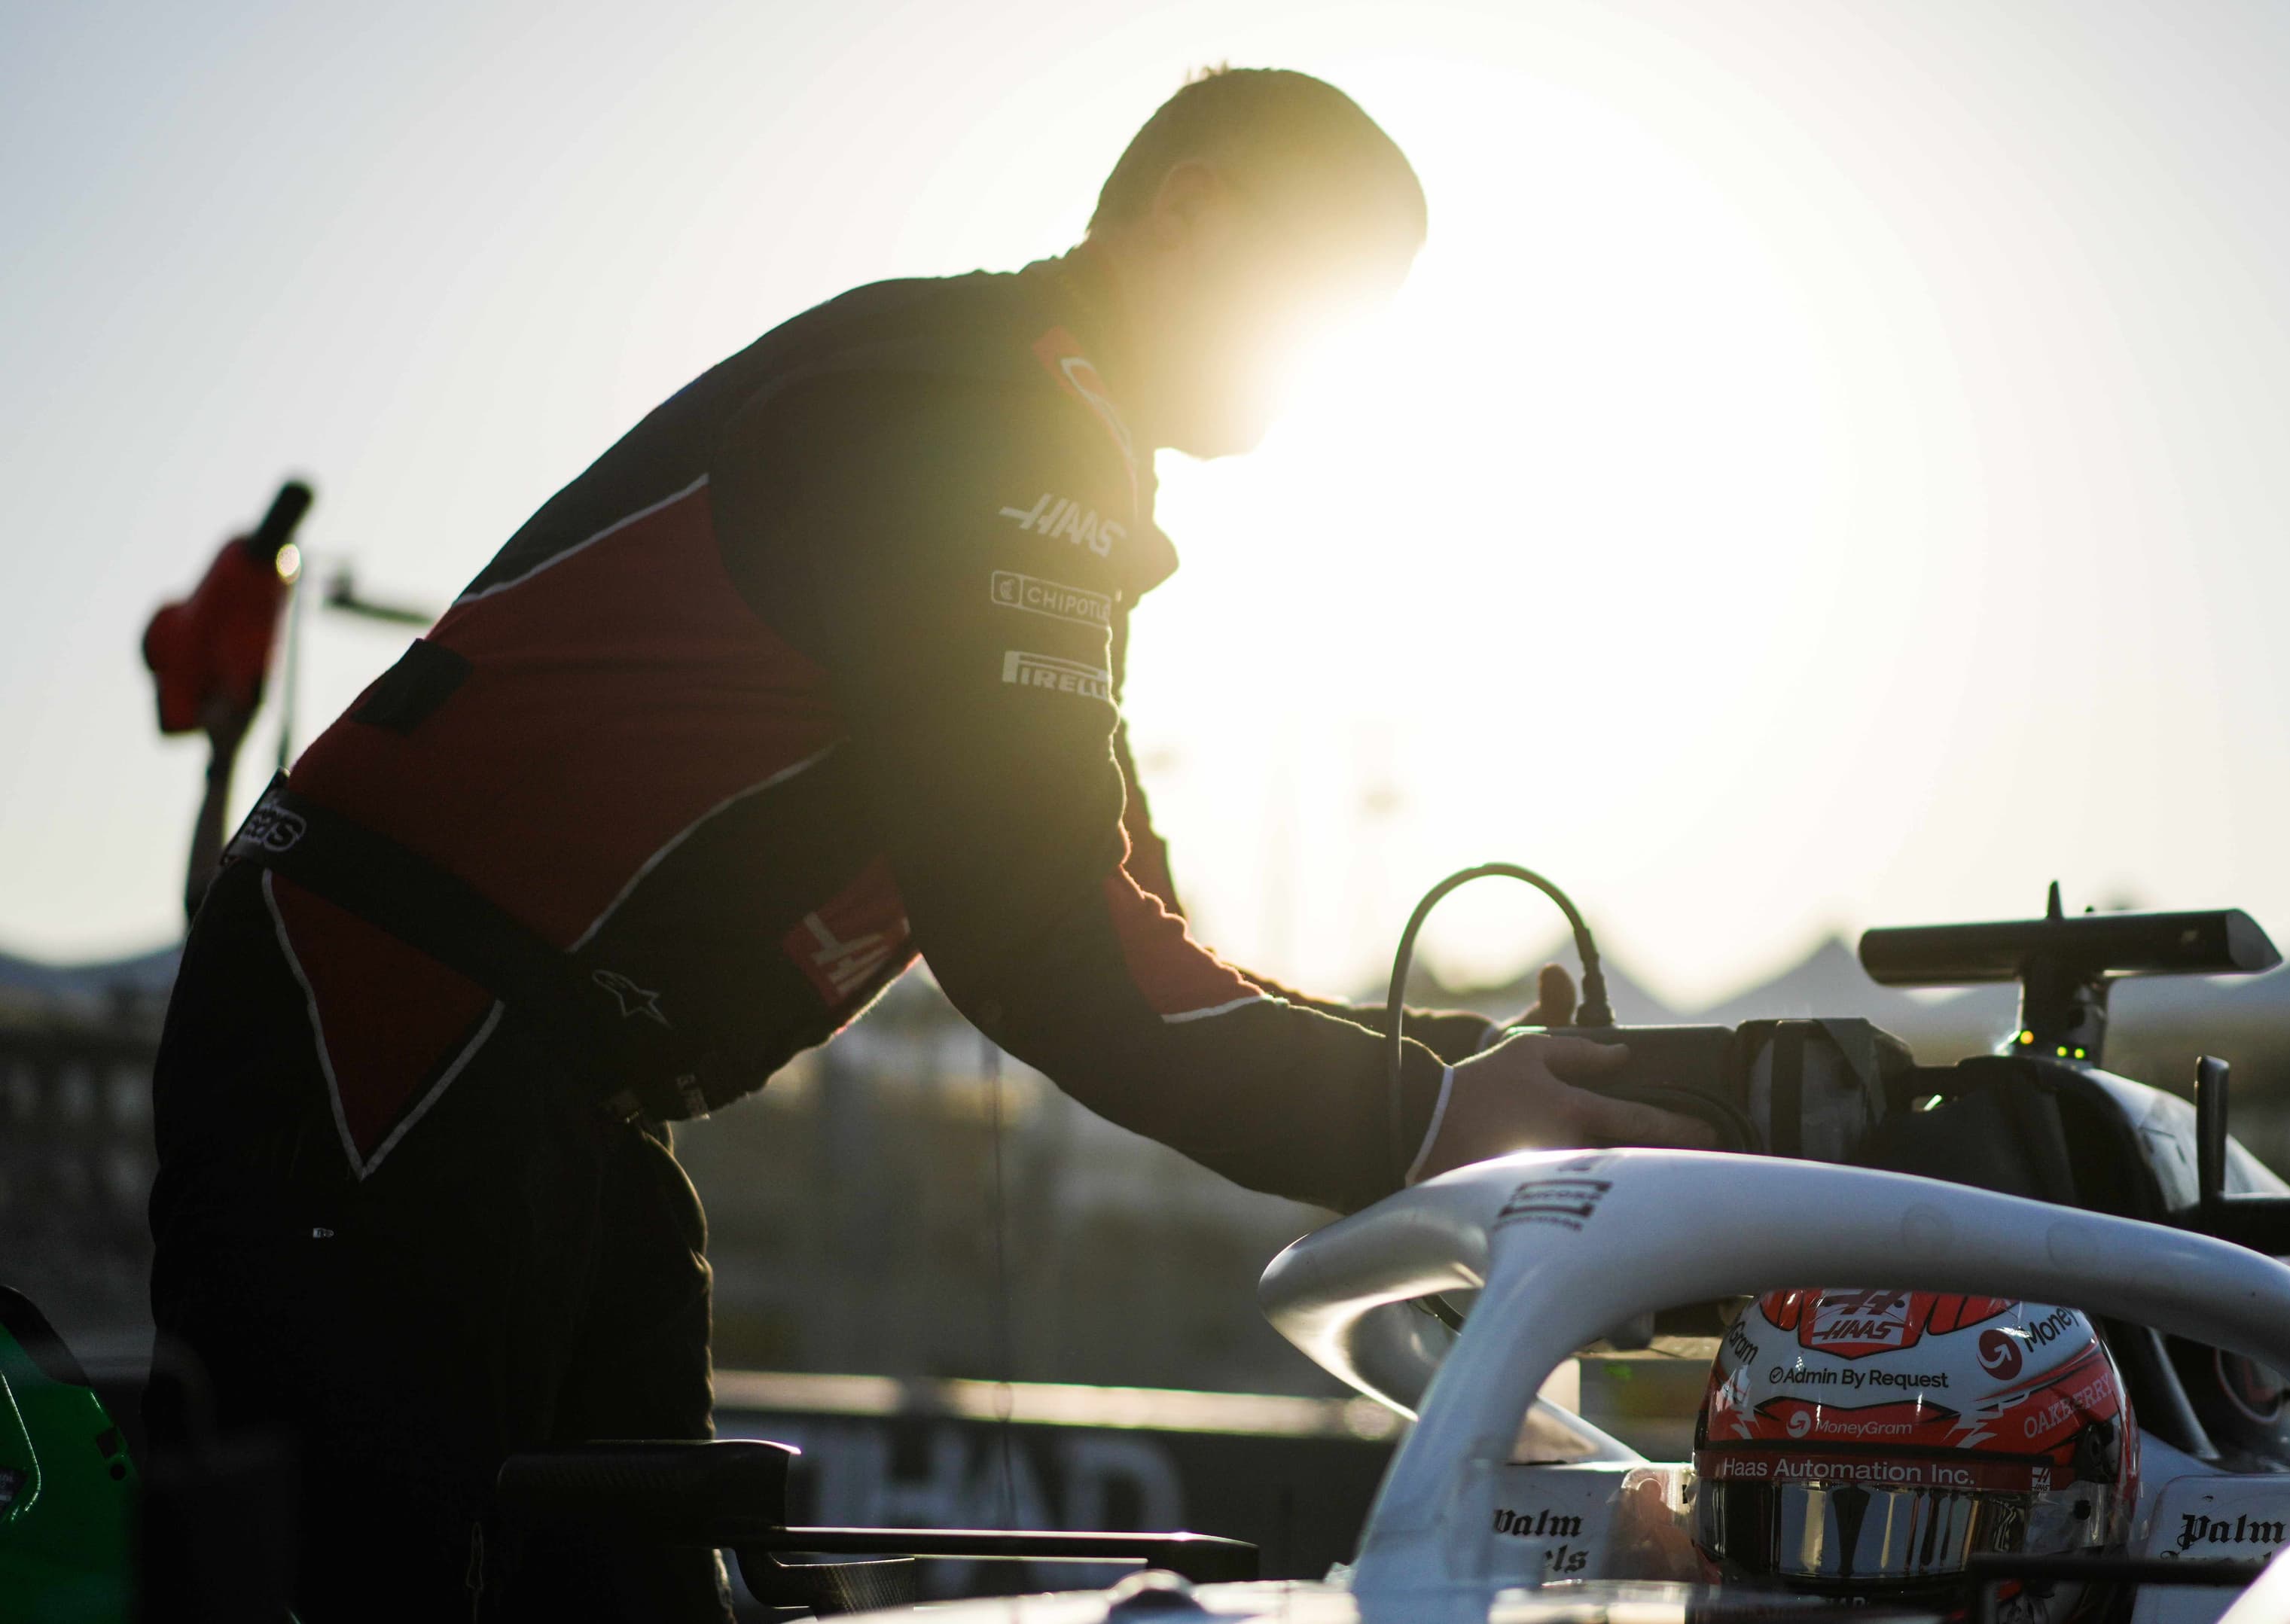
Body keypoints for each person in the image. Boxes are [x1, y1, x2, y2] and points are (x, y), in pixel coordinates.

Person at [148, 68, 1711, 1621]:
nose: (1334, 369)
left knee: (629, 1579)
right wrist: (1424, 1113)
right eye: (1331, 304)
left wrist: (1463, 1071)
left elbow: (1138, 927)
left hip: (542, 1071)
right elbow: (1047, 947)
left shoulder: (1039, 432)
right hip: (386, 1025)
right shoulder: (994, 424)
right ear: (1191, 216)